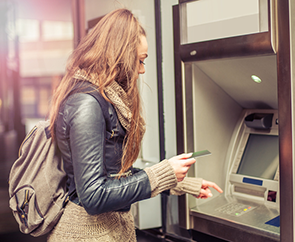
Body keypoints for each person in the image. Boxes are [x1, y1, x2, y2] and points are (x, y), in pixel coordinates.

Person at [47, 8, 223, 242]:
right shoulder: (87, 104)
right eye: (139, 61)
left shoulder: (105, 99)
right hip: (85, 234)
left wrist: (179, 182)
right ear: (118, 56)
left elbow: (115, 176)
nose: (142, 70)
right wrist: (163, 173)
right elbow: (93, 195)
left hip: (107, 232)